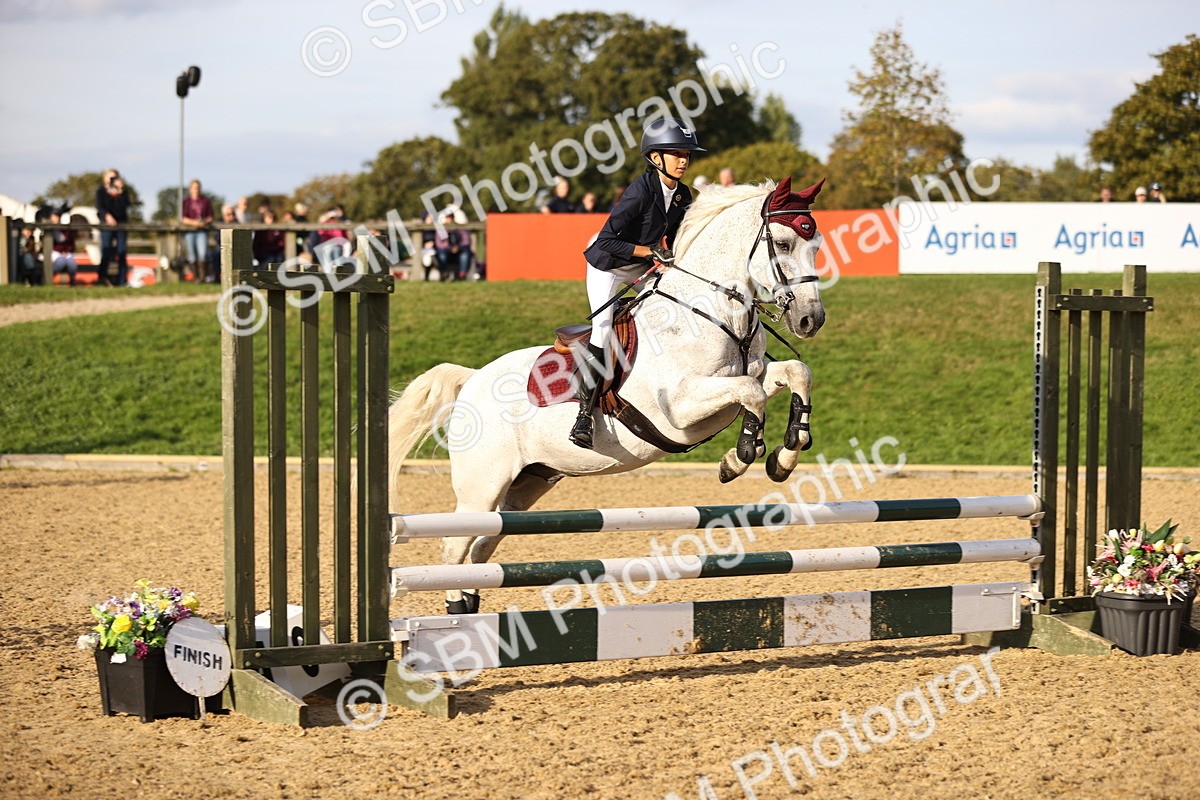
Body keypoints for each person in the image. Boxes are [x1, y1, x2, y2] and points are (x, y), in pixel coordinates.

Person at [572, 116, 704, 448]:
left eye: (687, 155)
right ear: (656, 157)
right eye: (677, 154)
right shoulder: (640, 191)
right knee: (603, 329)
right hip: (609, 263)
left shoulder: (682, 196)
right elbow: (606, 240)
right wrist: (651, 251)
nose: (684, 160)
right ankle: (584, 417)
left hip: (643, 262)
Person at [95, 169, 131, 286]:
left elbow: (125, 206)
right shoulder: (101, 192)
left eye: (114, 177)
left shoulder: (123, 192)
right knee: (106, 251)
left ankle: (122, 281)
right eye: (110, 177)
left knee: (122, 252)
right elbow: (100, 207)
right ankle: (102, 279)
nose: (112, 180)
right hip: (106, 226)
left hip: (121, 225)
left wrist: (119, 192)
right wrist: (107, 216)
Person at [180, 179, 214, 280]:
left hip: (202, 231)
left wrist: (204, 222)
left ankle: (203, 276)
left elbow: (211, 216)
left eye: (198, 188)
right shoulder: (186, 202)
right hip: (190, 231)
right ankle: (196, 277)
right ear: (190, 189)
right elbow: (183, 218)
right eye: (194, 188)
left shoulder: (206, 201)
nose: (196, 190)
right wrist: (194, 223)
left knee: (203, 254)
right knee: (192, 256)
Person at [434, 205, 473, 281]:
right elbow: (439, 243)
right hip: (445, 250)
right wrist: (449, 248)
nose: (449, 219)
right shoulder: (441, 229)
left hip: (459, 249)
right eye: (447, 217)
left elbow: (466, 240)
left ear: (453, 218)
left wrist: (458, 247)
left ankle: (462, 275)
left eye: (450, 217)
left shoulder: (460, 227)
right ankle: (444, 274)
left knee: (465, 254)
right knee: (441, 255)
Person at [48, 209, 78, 286]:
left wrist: (66, 251)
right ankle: (48, 279)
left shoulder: (68, 230)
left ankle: (72, 281)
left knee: (72, 264)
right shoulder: (50, 227)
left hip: (66, 253)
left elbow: (71, 244)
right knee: (61, 262)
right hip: (54, 253)